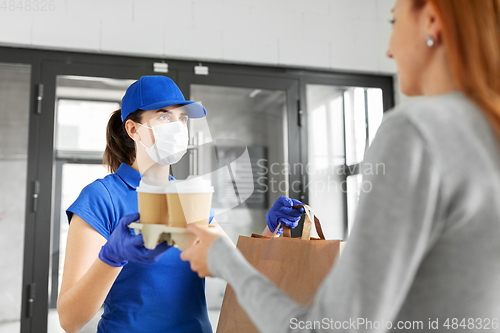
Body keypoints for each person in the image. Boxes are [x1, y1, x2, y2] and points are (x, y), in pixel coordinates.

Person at [180, 0, 500, 332]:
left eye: (393, 22)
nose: (389, 51)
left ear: (432, 20)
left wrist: (228, 262)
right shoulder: (487, 131)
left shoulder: (415, 132)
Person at [57, 76, 220, 333]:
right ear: (133, 129)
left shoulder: (190, 196)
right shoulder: (102, 197)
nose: (177, 127)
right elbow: (69, 319)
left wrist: (272, 234)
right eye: (164, 117)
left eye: (182, 119)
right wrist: (112, 257)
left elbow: (231, 266)